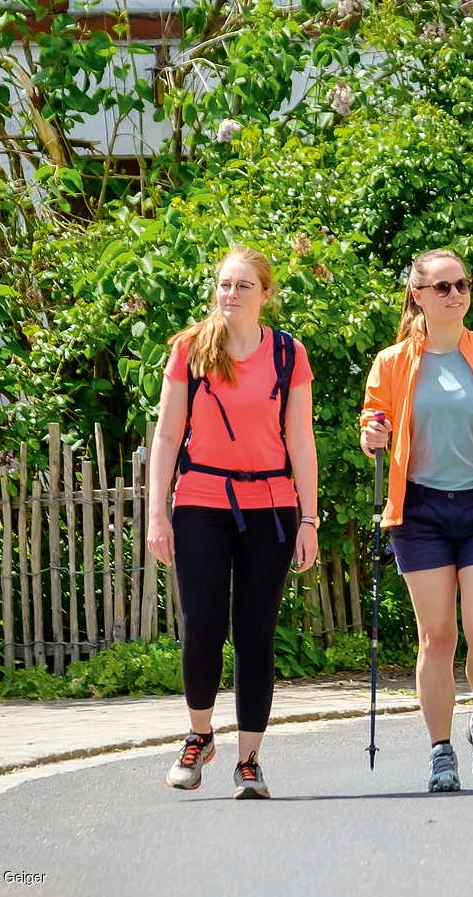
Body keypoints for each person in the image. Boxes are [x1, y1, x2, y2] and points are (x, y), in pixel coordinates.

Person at [144, 246, 321, 801]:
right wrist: (156, 514)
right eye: (224, 284)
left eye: (243, 285)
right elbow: (167, 436)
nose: (231, 294)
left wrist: (309, 518)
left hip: (271, 504)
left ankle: (249, 760)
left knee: (254, 632)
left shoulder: (288, 354)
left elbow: (301, 440)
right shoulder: (191, 350)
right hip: (200, 500)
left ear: (265, 294)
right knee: (202, 625)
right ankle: (199, 735)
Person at [359, 249, 473, 794]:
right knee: (437, 636)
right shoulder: (393, 362)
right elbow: (372, 423)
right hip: (419, 511)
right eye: (442, 287)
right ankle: (441, 751)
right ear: (418, 296)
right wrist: (373, 434)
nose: (455, 294)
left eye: (461, 284)